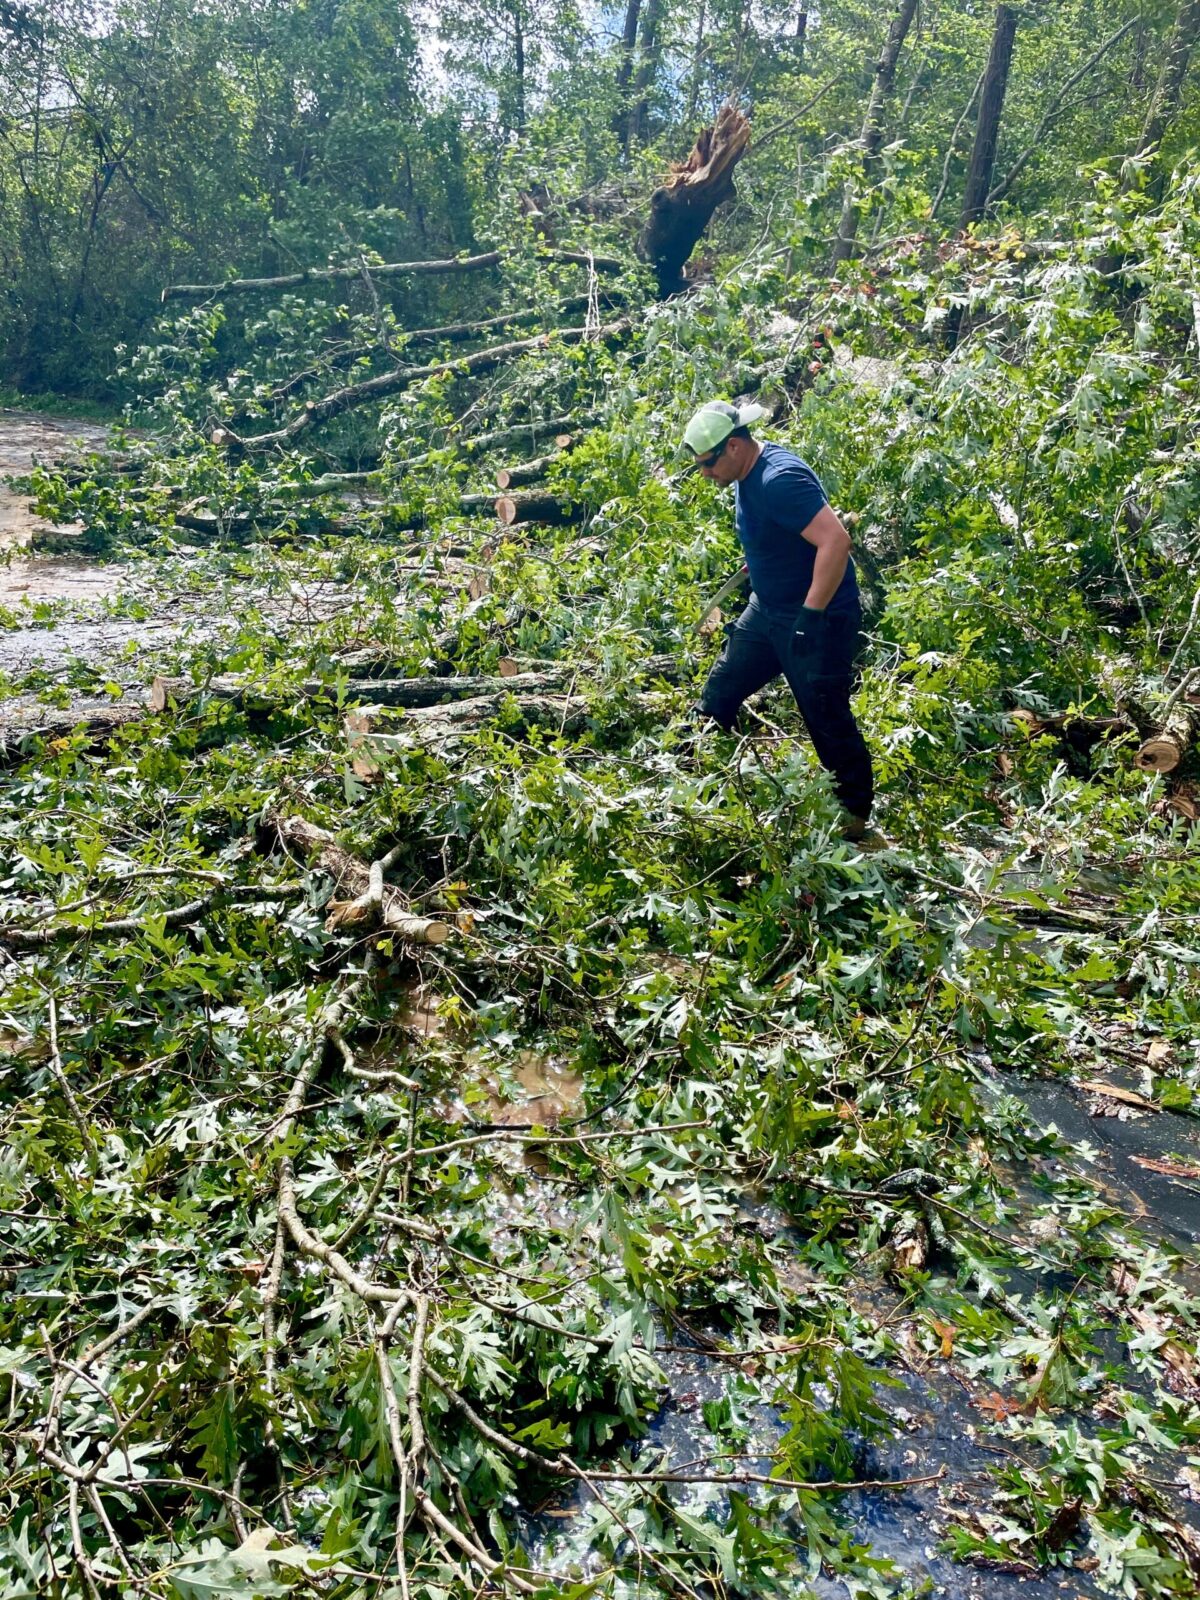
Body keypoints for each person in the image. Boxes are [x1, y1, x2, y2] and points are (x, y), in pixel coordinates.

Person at [682, 399, 874, 838]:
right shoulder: (743, 472)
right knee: (720, 689)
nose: (704, 474)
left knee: (824, 712)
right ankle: (692, 778)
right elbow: (784, 532)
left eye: (708, 464)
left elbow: (835, 543)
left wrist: (811, 614)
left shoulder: (779, 479)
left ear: (733, 446)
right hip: (766, 611)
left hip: (815, 617)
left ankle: (854, 815)